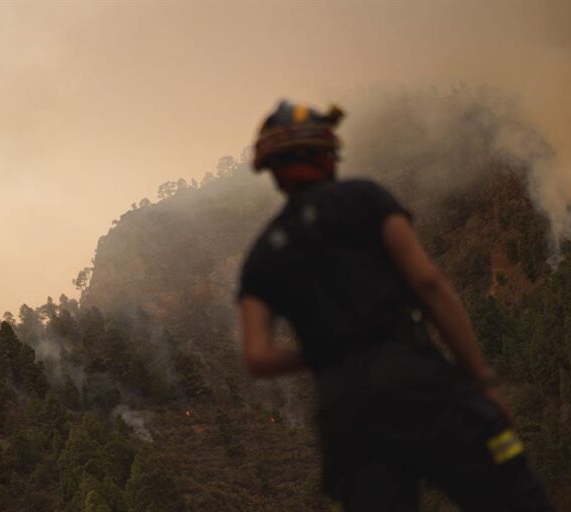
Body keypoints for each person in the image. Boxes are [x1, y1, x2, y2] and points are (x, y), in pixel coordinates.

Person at [237, 101, 553, 511]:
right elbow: (428, 283)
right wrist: (481, 380)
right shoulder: (364, 198)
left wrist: (326, 353)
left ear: (273, 170)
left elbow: (256, 356)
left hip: (345, 414)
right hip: (419, 381)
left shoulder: (263, 254)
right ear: (327, 154)